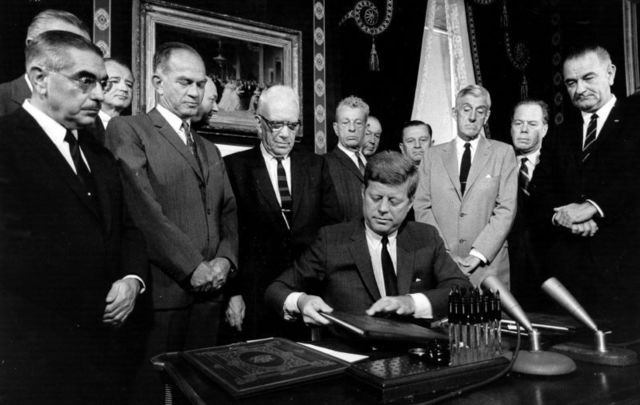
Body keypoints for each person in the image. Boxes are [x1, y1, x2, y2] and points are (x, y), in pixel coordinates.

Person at [0, 30, 146, 404]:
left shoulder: (100, 156)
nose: (98, 94)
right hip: (34, 355)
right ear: (39, 79)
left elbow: (128, 229)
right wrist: (96, 296)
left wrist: (131, 281)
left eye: (102, 82)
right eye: (85, 80)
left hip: (105, 354)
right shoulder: (7, 143)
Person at [105, 42, 238, 404]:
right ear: (157, 82)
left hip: (210, 297)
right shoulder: (128, 129)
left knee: (200, 395)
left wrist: (225, 261)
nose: (194, 92)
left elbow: (228, 211)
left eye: (200, 83)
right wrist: (191, 265)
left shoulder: (210, 149)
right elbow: (143, 209)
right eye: (184, 82)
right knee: (153, 395)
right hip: (164, 297)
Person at [265, 151, 471, 331]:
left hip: (412, 356)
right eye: (375, 198)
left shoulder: (425, 237)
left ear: (409, 204)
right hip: (351, 358)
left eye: (393, 201)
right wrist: (301, 301)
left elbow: (463, 290)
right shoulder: (332, 240)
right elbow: (276, 289)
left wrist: (412, 303)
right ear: (363, 193)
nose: (382, 209)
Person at [530, 45, 640, 336]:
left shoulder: (635, 119)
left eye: (588, 78)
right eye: (571, 82)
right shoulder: (559, 133)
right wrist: (563, 217)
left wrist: (592, 206)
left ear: (611, 73)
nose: (580, 89)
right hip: (571, 280)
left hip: (628, 277)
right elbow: (539, 191)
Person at [224, 85, 341, 340]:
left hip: (308, 292)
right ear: (259, 122)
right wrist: (233, 293)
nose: (285, 134)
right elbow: (228, 236)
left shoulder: (316, 166)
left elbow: (332, 229)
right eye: (276, 125)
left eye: (293, 125)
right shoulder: (235, 168)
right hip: (255, 294)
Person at [414, 84, 517, 288]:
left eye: (480, 111)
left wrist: (478, 254)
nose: (472, 117)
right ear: (455, 113)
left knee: (490, 319)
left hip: (488, 266)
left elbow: (506, 209)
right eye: (466, 109)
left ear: (487, 116)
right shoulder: (432, 156)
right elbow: (421, 207)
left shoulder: (503, 153)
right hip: (441, 264)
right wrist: (445, 254)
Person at [0, 9, 90, 116]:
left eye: (82, 48)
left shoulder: (87, 108)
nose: (75, 56)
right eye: (62, 43)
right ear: (31, 45)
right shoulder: (2, 100)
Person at [508, 100, 549, 308]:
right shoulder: (497, 164)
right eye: (518, 123)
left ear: (545, 128)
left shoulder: (559, 164)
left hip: (550, 272)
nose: (524, 130)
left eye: (532, 124)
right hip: (510, 272)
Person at [325, 96, 369, 221]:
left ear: (366, 128)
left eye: (358, 123)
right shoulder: (325, 164)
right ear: (336, 128)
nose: (352, 128)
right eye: (345, 122)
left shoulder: (373, 164)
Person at [98, 58, 134, 132]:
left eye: (129, 84)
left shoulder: (132, 129)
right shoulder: (82, 126)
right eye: (114, 81)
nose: (124, 88)